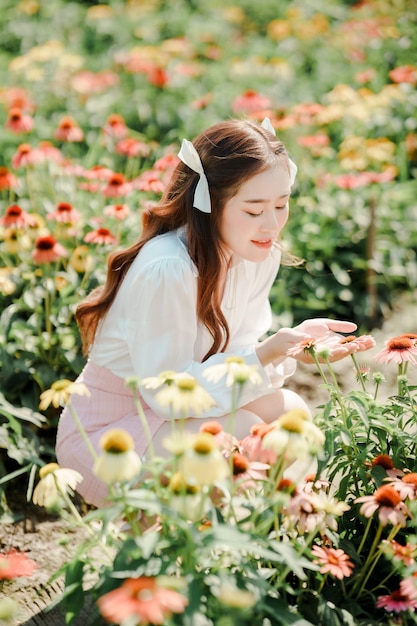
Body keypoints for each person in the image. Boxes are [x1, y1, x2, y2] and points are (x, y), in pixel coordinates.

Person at [56, 117, 357, 506]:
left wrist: (294, 347)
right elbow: (167, 395)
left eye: (281, 205)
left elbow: (237, 352)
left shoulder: (256, 253)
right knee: (240, 438)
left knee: (291, 415)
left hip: (171, 418)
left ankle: (266, 541)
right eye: (254, 211)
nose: (272, 224)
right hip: (107, 435)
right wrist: (267, 354)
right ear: (209, 205)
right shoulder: (169, 267)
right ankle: (200, 551)